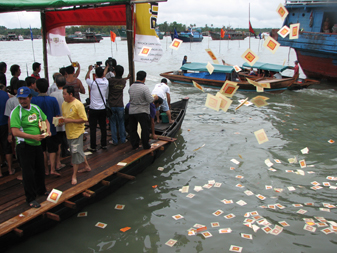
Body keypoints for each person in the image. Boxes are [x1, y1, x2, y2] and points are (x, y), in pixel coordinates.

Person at [10, 86, 50, 208]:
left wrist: (47, 131)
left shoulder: (36, 109)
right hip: (24, 146)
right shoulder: (16, 112)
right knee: (28, 173)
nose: (22, 101)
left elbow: (45, 120)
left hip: (37, 144)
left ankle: (41, 190)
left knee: (40, 169)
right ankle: (31, 198)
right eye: (20, 99)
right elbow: (15, 132)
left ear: (30, 98)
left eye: (24, 98)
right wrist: (33, 137)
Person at [62, 85, 91, 185]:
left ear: (71, 94)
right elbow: (64, 117)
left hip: (77, 132)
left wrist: (68, 120)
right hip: (69, 132)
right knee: (77, 151)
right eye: (63, 94)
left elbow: (84, 119)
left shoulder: (78, 104)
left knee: (74, 153)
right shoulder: (64, 104)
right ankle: (86, 166)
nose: (63, 96)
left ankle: (74, 176)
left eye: (65, 94)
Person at [32, 78, 61, 176]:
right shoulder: (52, 99)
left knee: (43, 150)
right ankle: (53, 168)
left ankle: (46, 170)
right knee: (52, 149)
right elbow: (57, 115)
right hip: (51, 128)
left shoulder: (33, 100)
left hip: (39, 129)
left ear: (37, 88)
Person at [128, 71, 155, 150]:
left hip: (132, 111)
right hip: (142, 111)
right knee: (145, 128)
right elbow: (150, 100)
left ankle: (135, 145)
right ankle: (146, 145)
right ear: (144, 78)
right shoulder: (144, 87)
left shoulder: (131, 86)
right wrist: (155, 98)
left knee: (133, 129)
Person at [85, 65, 108, 151]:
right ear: (102, 74)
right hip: (102, 109)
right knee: (103, 127)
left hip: (93, 109)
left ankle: (93, 146)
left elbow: (86, 78)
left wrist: (89, 70)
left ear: (95, 75)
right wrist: (106, 68)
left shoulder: (93, 83)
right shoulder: (106, 82)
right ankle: (104, 144)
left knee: (93, 128)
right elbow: (104, 75)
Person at [50, 75, 68, 167]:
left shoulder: (52, 95)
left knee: (58, 140)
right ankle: (65, 153)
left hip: (56, 121)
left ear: (56, 84)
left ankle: (58, 158)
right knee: (65, 138)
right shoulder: (66, 94)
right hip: (65, 119)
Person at [107, 65, 127, 145]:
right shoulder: (123, 81)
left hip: (112, 104)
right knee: (121, 123)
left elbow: (104, 79)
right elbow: (123, 79)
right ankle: (123, 139)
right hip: (120, 105)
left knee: (113, 123)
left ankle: (115, 140)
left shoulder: (110, 80)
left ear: (114, 72)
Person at [0, 87, 14, 177]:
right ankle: (10, 169)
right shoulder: (5, 94)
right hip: (4, 123)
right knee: (6, 145)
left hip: (4, 123)